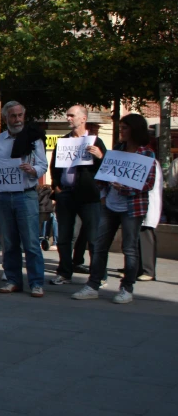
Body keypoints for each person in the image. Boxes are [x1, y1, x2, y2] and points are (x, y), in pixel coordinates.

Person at [73, 113, 156, 304]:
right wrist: (103, 195)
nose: (121, 131)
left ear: (135, 130)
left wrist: (125, 188)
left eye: (125, 128)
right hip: (110, 205)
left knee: (129, 248)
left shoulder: (146, 154)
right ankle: (93, 285)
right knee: (100, 245)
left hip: (132, 207)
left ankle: (127, 288)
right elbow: (103, 176)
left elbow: (148, 183)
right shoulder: (117, 150)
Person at [0, 101, 48, 297]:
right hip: (3, 196)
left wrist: (33, 170)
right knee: (9, 242)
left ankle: (36, 282)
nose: (17, 119)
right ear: (6, 119)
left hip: (26, 195)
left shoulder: (33, 139)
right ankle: (13, 280)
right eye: (13, 116)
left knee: (31, 242)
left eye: (20, 115)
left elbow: (42, 165)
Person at [49, 105, 106, 285]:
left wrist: (100, 156)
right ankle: (65, 272)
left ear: (83, 118)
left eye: (72, 115)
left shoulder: (95, 141)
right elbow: (55, 167)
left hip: (88, 196)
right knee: (64, 237)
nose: (68, 118)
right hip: (66, 195)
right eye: (67, 115)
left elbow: (106, 169)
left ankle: (98, 275)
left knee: (94, 237)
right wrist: (56, 186)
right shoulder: (63, 141)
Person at [138, 164, 162, 281]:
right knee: (136, 240)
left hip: (147, 205)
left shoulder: (151, 162)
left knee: (146, 237)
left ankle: (148, 270)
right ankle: (137, 269)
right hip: (138, 207)